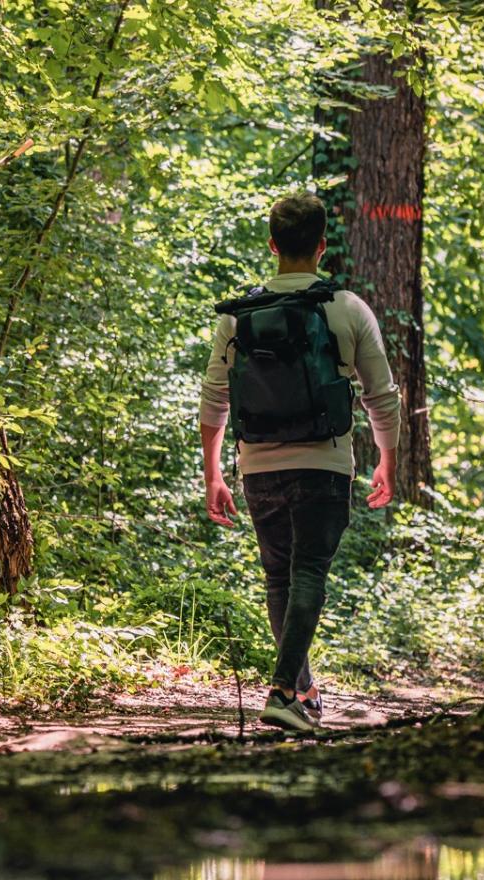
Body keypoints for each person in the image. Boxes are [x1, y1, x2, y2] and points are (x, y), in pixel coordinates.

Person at [199, 192, 402, 733]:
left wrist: (213, 473)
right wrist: (388, 458)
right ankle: (284, 691)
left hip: (257, 464)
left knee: (278, 577)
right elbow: (381, 396)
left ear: (272, 245)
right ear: (322, 246)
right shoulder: (347, 308)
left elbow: (215, 399)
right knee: (308, 570)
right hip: (324, 463)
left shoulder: (238, 315)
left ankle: (302, 692)